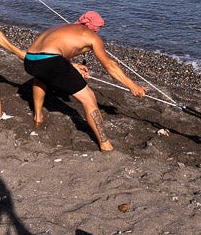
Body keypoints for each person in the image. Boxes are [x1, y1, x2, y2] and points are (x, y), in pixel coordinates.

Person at [23, 11, 146, 151]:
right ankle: (105, 144)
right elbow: (110, 65)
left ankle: (38, 117)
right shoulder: (92, 37)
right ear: (95, 28)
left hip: (30, 60)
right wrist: (132, 85)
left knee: (42, 77)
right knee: (89, 98)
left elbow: (49, 52)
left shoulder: (62, 27)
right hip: (50, 61)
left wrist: (72, 66)